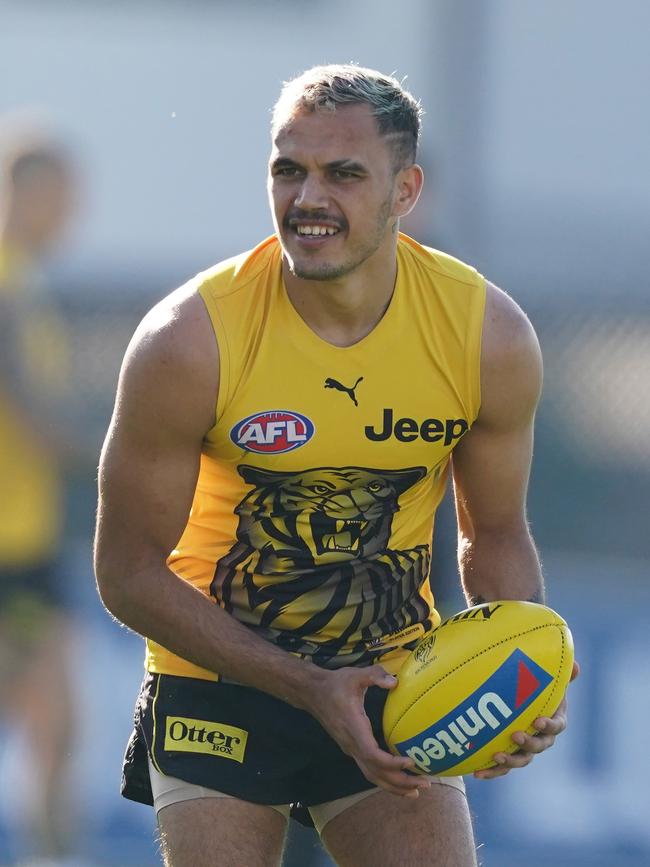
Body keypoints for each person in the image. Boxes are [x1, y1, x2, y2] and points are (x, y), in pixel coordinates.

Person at [94, 65, 578, 867]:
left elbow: (493, 536)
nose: (308, 198)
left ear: (406, 189)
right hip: (218, 680)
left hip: (394, 684)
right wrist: (309, 685)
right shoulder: (187, 339)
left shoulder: (485, 334)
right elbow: (127, 573)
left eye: (343, 173)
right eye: (289, 169)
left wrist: (521, 676)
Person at [0, 124, 79, 861]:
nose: (70, 213)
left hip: (26, 543)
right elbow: (35, 418)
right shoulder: (5, 283)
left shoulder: (26, 281)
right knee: (51, 718)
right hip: (8, 550)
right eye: (61, 195)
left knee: (53, 721)